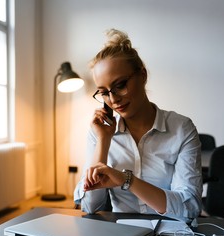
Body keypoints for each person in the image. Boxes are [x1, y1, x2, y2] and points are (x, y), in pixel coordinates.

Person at [74, 29, 202, 222]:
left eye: (120, 85)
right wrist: (103, 141)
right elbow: (89, 207)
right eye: (104, 92)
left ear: (142, 75)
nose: (114, 99)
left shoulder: (181, 129)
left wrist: (127, 180)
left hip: (169, 235)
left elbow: (189, 209)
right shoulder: (100, 133)